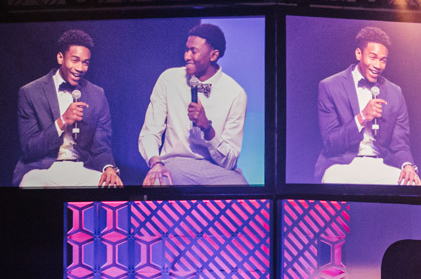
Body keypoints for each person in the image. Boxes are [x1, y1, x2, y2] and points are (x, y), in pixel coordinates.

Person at [138, 23, 248, 186]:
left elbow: (229, 161)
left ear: (213, 55)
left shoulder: (235, 94)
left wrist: (207, 128)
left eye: (193, 51)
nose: (186, 56)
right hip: (175, 164)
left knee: (243, 190)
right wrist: (155, 162)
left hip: (215, 170)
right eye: (186, 50)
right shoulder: (169, 79)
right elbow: (150, 131)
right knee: (158, 181)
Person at [13, 30, 122, 188]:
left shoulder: (97, 95)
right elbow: (29, 149)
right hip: (42, 169)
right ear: (60, 58)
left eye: (85, 62)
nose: (80, 68)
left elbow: (101, 147)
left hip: (83, 167)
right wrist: (62, 121)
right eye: (75, 60)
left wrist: (109, 168)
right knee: (31, 185)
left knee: (112, 186)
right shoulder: (30, 92)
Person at [313, 26, 420, 185]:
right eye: (373, 57)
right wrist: (362, 117)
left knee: (413, 184)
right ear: (358, 54)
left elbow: (400, 144)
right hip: (343, 164)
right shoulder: (330, 86)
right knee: (332, 180)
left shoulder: (394, 92)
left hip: (381, 164)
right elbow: (331, 143)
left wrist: (408, 165)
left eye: (383, 60)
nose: (378, 65)